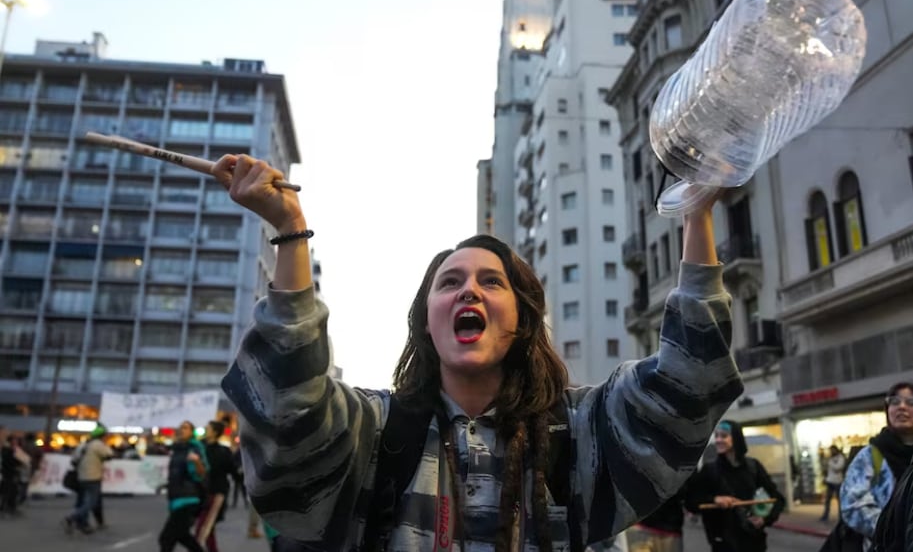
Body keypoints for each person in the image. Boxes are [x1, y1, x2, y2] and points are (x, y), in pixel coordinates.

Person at [214, 154, 743, 550]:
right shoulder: (374, 431)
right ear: (427, 320)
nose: (469, 290)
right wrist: (290, 232)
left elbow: (687, 382)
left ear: (523, 317)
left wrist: (696, 217)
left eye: (492, 281)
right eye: (449, 283)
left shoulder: (582, 428)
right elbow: (289, 408)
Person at [685, 420, 786, 552]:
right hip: (722, 544)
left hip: (753, 542)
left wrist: (764, 519)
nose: (718, 440)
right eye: (717, 436)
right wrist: (714, 500)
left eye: (724, 436)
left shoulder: (753, 467)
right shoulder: (709, 470)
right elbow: (691, 501)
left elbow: (777, 498)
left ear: (736, 438)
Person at [840, 382, 913, 548]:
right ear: (887, 410)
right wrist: (893, 533)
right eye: (895, 402)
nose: (902, 407)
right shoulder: (871, 455)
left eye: (911, 402)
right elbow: (852, 506)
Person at [159, 421, 208, 552]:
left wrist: (197, 461)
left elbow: (202, 474)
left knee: (166, 538)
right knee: (182, 536)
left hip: (188, 499)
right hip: (175, 498)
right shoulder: (177, 449)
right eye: (180, 427)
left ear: (192, 432)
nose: (181, 430)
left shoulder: (194, 448)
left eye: (185, 428)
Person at [63, 423, 113, 534]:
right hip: (93, 476)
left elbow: (74, 459)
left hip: (81, 476)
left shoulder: (83, 445)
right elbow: (109, 454)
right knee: (91, 502)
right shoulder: (98, 444)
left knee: (82, 500)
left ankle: (82, 524)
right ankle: (72, 517)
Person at [194, 421, 236, 552]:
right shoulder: (200, 447)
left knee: (202, 527)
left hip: (216, 492)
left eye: (209, 428)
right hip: (201, 491)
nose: (206, 429)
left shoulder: (223, 451)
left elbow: (232, 470)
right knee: (208, 526)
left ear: (215, 432)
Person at [820, 445, 847, 521]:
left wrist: (830, 463)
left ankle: (841, 517)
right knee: (827, 500)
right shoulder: (830, 458)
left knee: (840, 500)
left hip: (837, 482)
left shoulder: (840, 458)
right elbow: (828, 470)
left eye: (832, 450)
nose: (831, 452)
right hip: (830, 481)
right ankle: (825, 515)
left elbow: (838, 467)